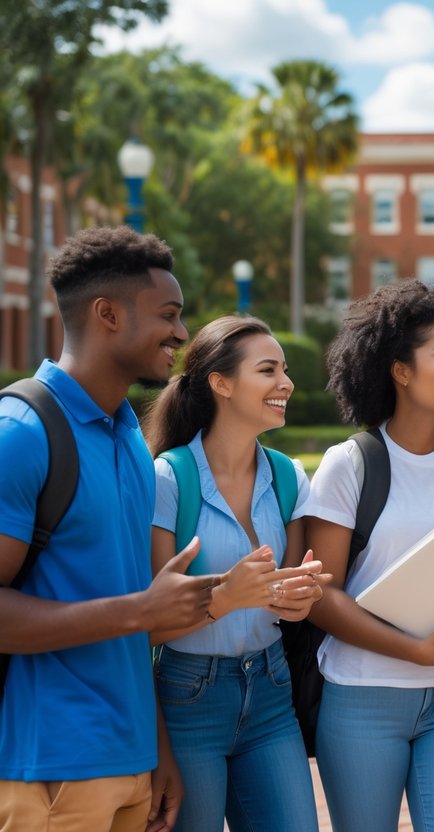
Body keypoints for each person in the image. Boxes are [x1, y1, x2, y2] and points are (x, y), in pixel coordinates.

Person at [0, 226, 217, 831]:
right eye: (168, 315)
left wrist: (158, 752)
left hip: (128, 762)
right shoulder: (21, 433)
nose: (181, 333)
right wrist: (142, 611)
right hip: (48, 768)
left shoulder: (128, 437)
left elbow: (131, 615)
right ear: (107, 314)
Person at [304, 281, 434, 831]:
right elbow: (321, 595)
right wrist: (418, 650)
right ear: (399, 369)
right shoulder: (348, 465)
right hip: (362, 700)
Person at [143, 316, 328, 832]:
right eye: (267, 370)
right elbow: (143, 624)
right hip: (187, 700)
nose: (286, 383)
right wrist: (224, 596)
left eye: (285, 370)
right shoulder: (168, 478)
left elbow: (290, 592)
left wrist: (300, 596)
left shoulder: (290, 476)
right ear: (220, 383)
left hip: (271, 690)